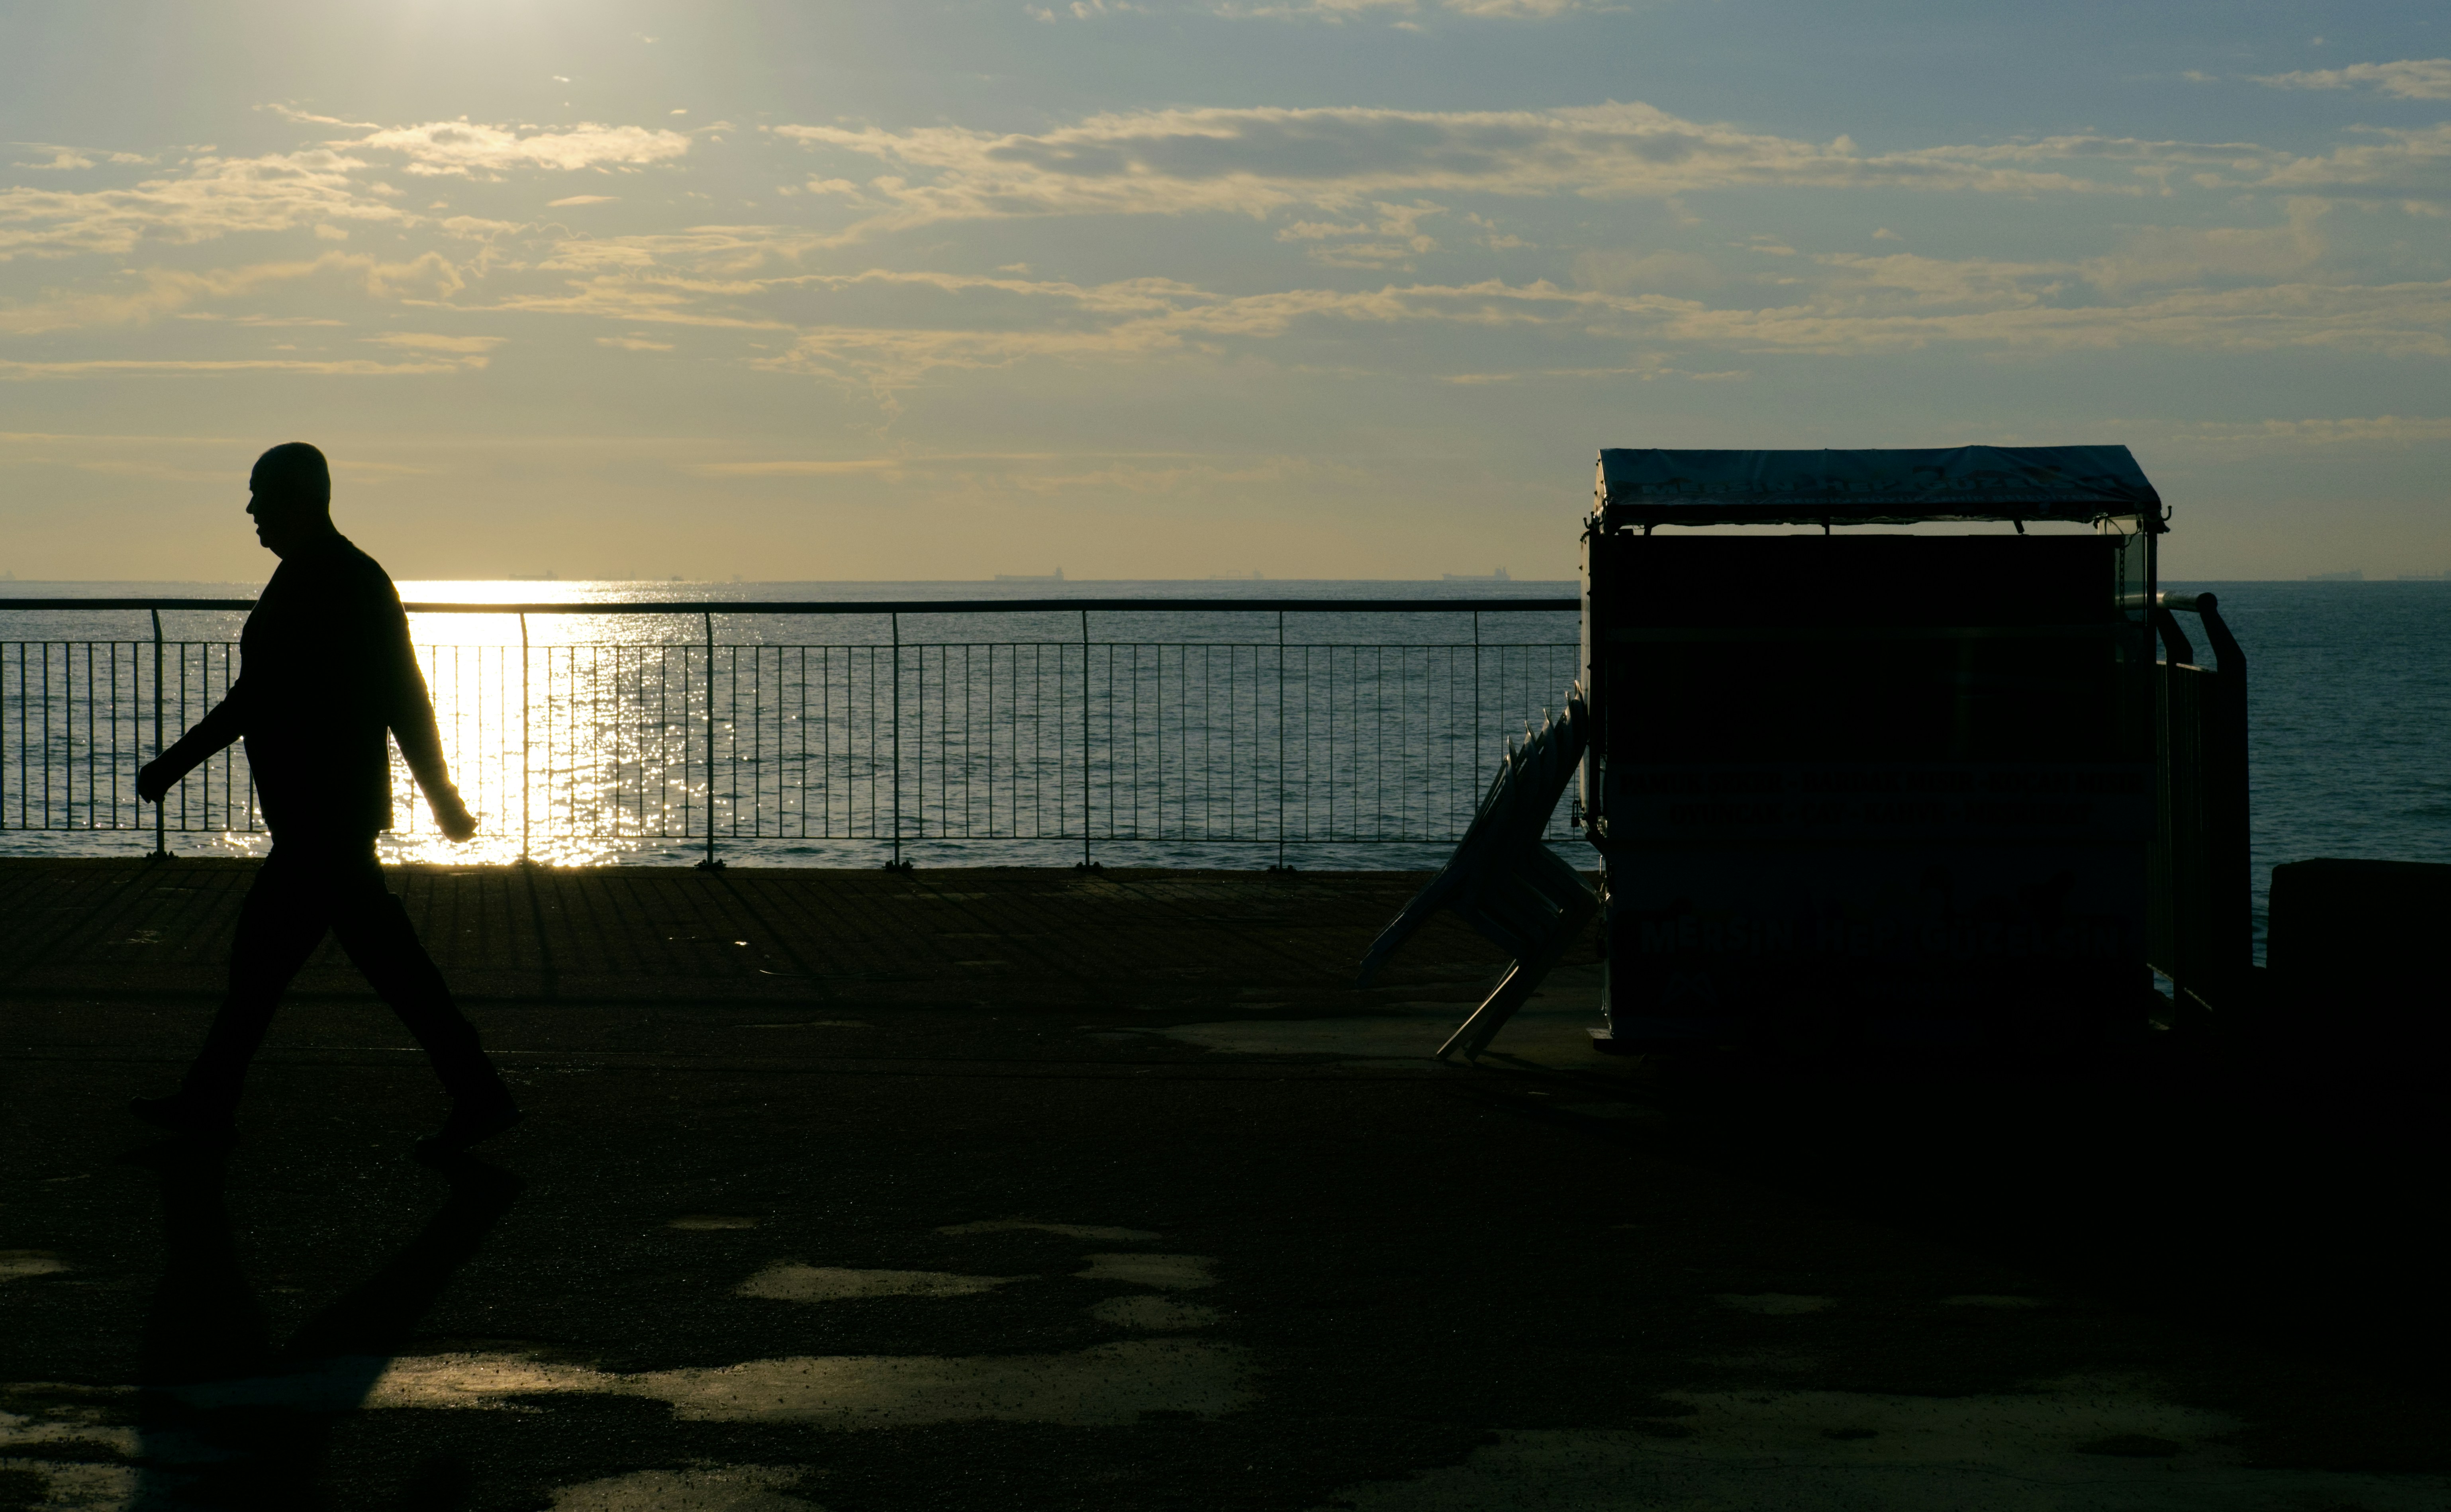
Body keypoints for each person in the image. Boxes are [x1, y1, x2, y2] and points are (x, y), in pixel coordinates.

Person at [132, 443, 520, 1155]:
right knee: (309, 964)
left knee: (311, 965)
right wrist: (441, 799)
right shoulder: (327, 575)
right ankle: (213, 1099)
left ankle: (213, 1101)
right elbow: (376, 694)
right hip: (321, 817)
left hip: (323, 820)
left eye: (260, 494)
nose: (249, 509)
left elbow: (394, 694)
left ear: (295, 498)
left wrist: (172, 765)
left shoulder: (335, 579)